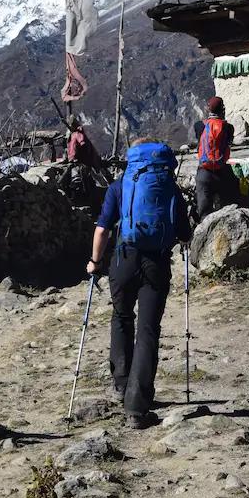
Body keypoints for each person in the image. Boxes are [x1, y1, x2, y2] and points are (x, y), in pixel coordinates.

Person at [87, 138, 191, 429]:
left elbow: (103, 229)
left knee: (121, 317)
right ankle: (137, 407)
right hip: (156, 263)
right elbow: (185, 234)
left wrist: (95, 262)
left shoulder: (120, 186)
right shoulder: (169, 187)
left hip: (123, 259)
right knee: (147, 330)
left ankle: (121, 384)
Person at [194, 96, 238, 221]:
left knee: (204, 212)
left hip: (204, 172)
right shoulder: (229, 128)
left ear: (208, 109)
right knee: (226, 210)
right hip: (222, 171)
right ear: (222, 109)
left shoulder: (199, 126)